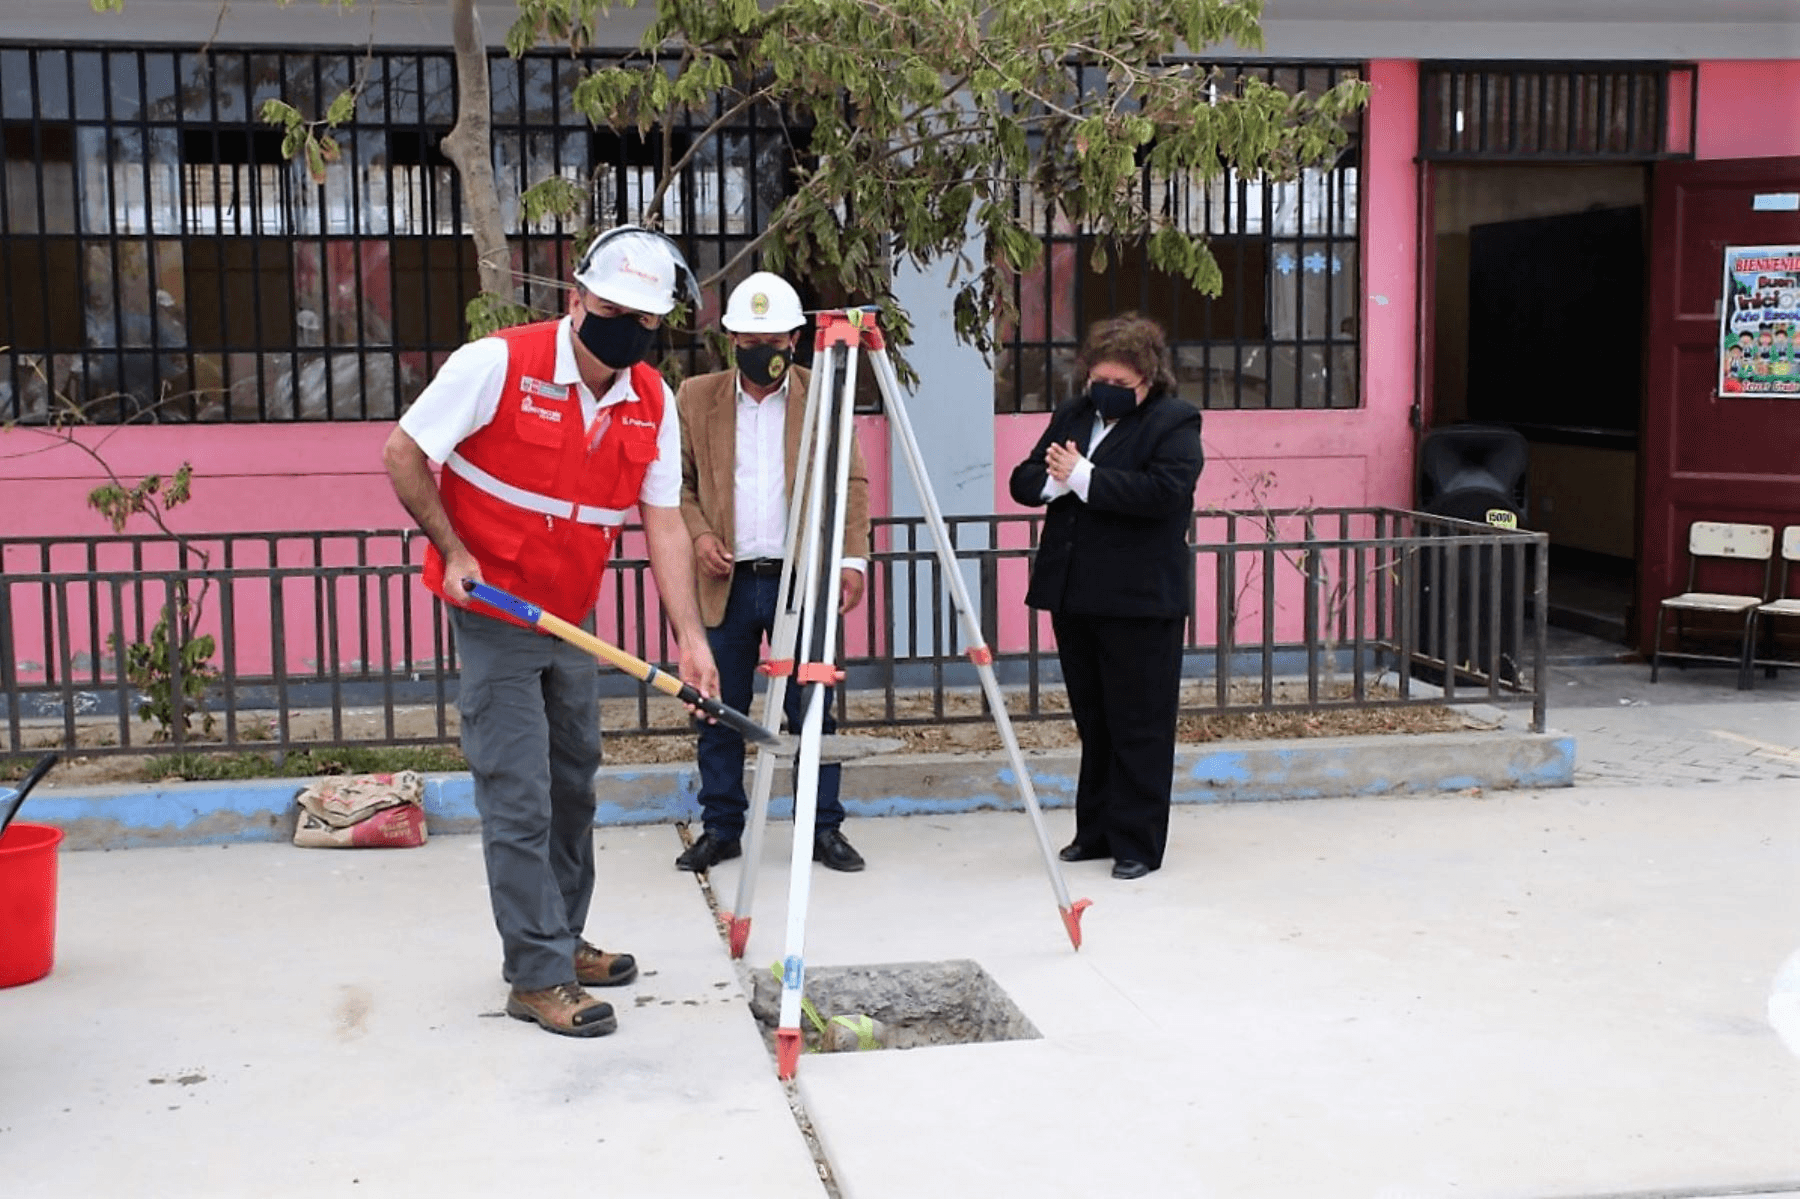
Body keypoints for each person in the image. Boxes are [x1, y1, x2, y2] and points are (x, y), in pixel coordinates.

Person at [381, 226, 720, 1038]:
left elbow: (664, 523)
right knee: (519, 791)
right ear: (577, 300)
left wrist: (690, 637)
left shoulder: (652, 399)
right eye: (614, 310)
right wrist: (452, 549)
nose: (630, 331)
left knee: (574, 784)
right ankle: (535, 974)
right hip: (497, 610)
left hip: (571, 617)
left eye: (647, 319)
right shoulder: (497, 363)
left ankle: (563, 940)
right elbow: (402, 452)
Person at [674, 272, 872, 874]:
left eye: (775, 338)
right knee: (719, 709)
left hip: (802, 579)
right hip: (727, 582)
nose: (763, 350)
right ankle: (721, 827)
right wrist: (701, 533)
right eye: (749, 338)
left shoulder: (823, 394)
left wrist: (850, 560)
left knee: (812, 709)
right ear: (731, 337)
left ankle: (823, 828)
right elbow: (676, 486)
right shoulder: (695, 397)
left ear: (794, 337)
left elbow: (853, 482)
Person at [1008, 313, 1202, 880]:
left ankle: (1138, 843)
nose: (1107, 393)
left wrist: (1084, 477)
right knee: (1094, 721)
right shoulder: (1074, 414)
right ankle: (1093, 831)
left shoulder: (1175, 422)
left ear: (1148, 381)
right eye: (1100, 380)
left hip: (1140, 599)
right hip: (1076, 593)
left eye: (1121, 385)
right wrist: (1057, 479)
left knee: (1139, 722)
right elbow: (1027, 479)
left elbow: (1164, 492)